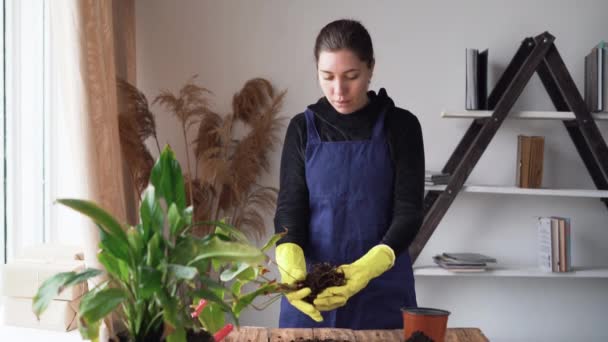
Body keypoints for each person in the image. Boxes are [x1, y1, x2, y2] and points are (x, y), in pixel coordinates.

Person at [274, 19, 425, 330]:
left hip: (383, 291)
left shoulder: (402, 126)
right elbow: (291, 208)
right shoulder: (302, 129)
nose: (338, 90)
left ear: (370, 69)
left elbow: (409, 213)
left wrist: (365, 269)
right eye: (327, 77)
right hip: (314, 292)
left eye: (351, 76)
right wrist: (290, 266)